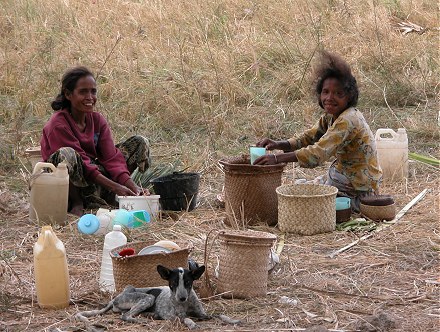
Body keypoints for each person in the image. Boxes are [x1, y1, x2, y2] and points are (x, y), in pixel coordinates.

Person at [254, 51, 382, 212]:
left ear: (349, 96)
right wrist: (279, 144)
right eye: (325, 92)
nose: (330, 98)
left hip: (357, 191)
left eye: (338, 93)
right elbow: (309, 137)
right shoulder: (331, 117)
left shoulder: (348, 120)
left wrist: (277, 158)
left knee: (306, 205)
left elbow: (318, 152)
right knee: (298, 190)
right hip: (342, 180)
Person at [40, 66, 151, 216]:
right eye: (83, 92)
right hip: (64, 181)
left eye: (93, 91)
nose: (90, 97)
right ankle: (76, 201)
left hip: (91, 176)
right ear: (68, 94)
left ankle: (101, 197)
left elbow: (111, 157)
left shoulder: (97, 120)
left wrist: (132, 186)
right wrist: (115, 187)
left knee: (139, 142)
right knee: (67, 154)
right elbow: (82, 163)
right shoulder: (58, 124)